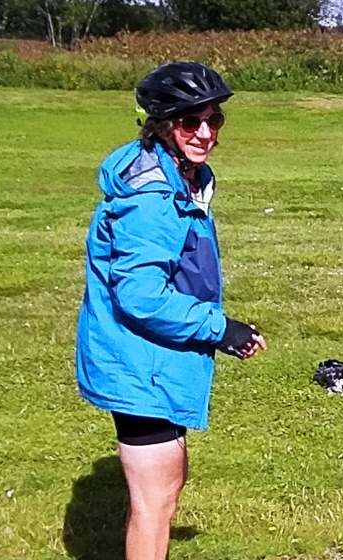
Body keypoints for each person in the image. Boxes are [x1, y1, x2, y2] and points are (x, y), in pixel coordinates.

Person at [75, 61, 267, 560]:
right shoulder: (152, 198)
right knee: (155, 500)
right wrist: (220, 328)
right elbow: (141, 295)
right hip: (139, 362)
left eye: (213, 120)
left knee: (165, 487)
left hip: (152, 357)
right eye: (189, 122)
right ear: (161, 125)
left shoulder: (176, 175)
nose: (205, 133)